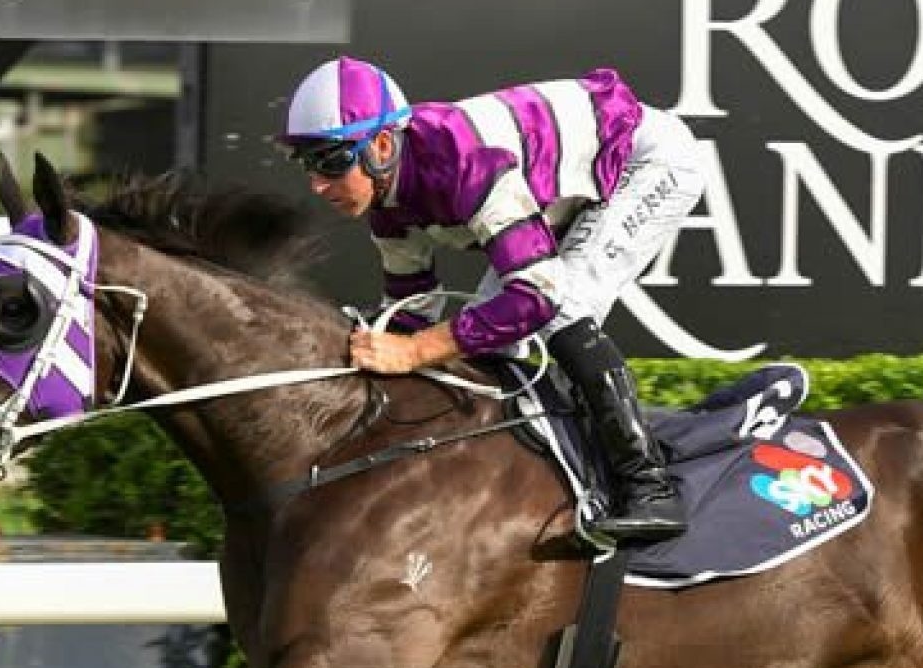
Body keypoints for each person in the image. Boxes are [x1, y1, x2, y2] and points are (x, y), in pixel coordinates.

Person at [275, 55, 704, 544]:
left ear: (383, 144)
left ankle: (650, 487)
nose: (317, 183)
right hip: (565, 193)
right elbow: (414, 310)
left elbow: (534, 298)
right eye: (308, 164)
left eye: (331, 161)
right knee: (495, 345)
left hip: (643, 162)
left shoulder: (464, 161)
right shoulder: (387, 204)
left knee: (557, 310)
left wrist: (414, 350)